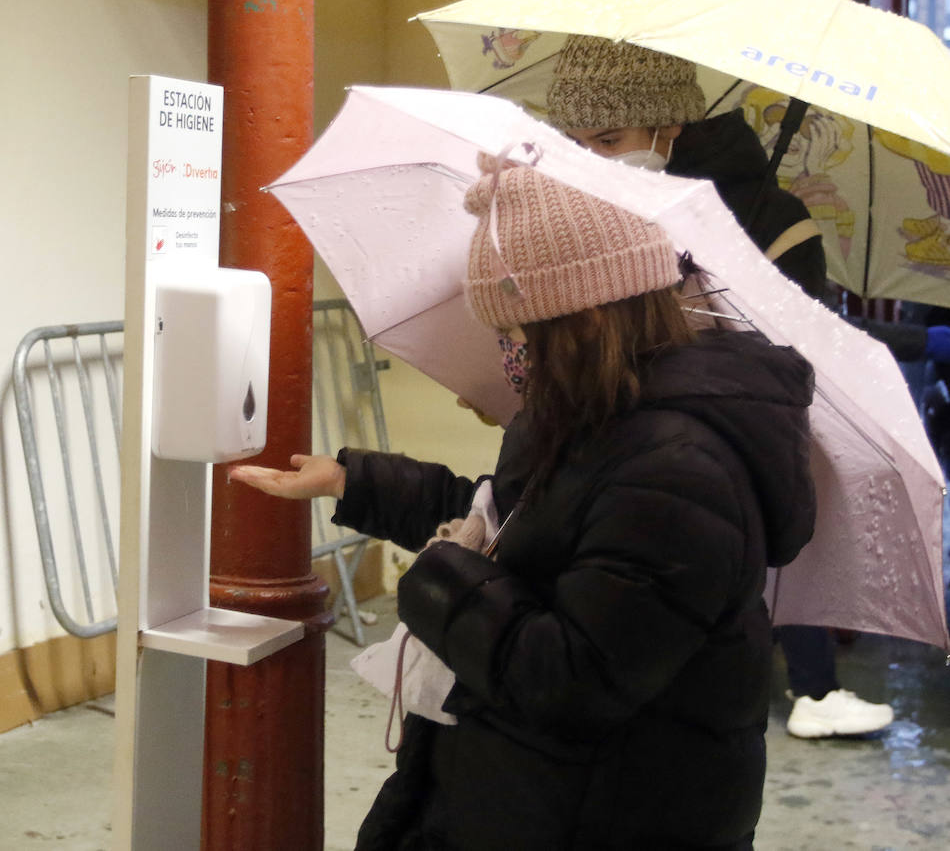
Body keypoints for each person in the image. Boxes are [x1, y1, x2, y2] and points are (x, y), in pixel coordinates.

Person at [233, 160, 817, 849]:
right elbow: (520, 528)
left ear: (589, 321)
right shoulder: (597, 415)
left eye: (515, 335)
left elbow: (571, 679)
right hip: (539, 797)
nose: (509, 356)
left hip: (608, 813)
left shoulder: (679, 472)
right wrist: (354, 481)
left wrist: (442, 575)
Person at [544, 34, 897, 740]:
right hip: (603, 457)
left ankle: (813, 687)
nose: (589, 160)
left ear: (668, 128)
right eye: (573, 142)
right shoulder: (592, 206)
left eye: (608, 139)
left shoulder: (775, 223)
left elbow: (791, 369)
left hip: (711, 459)